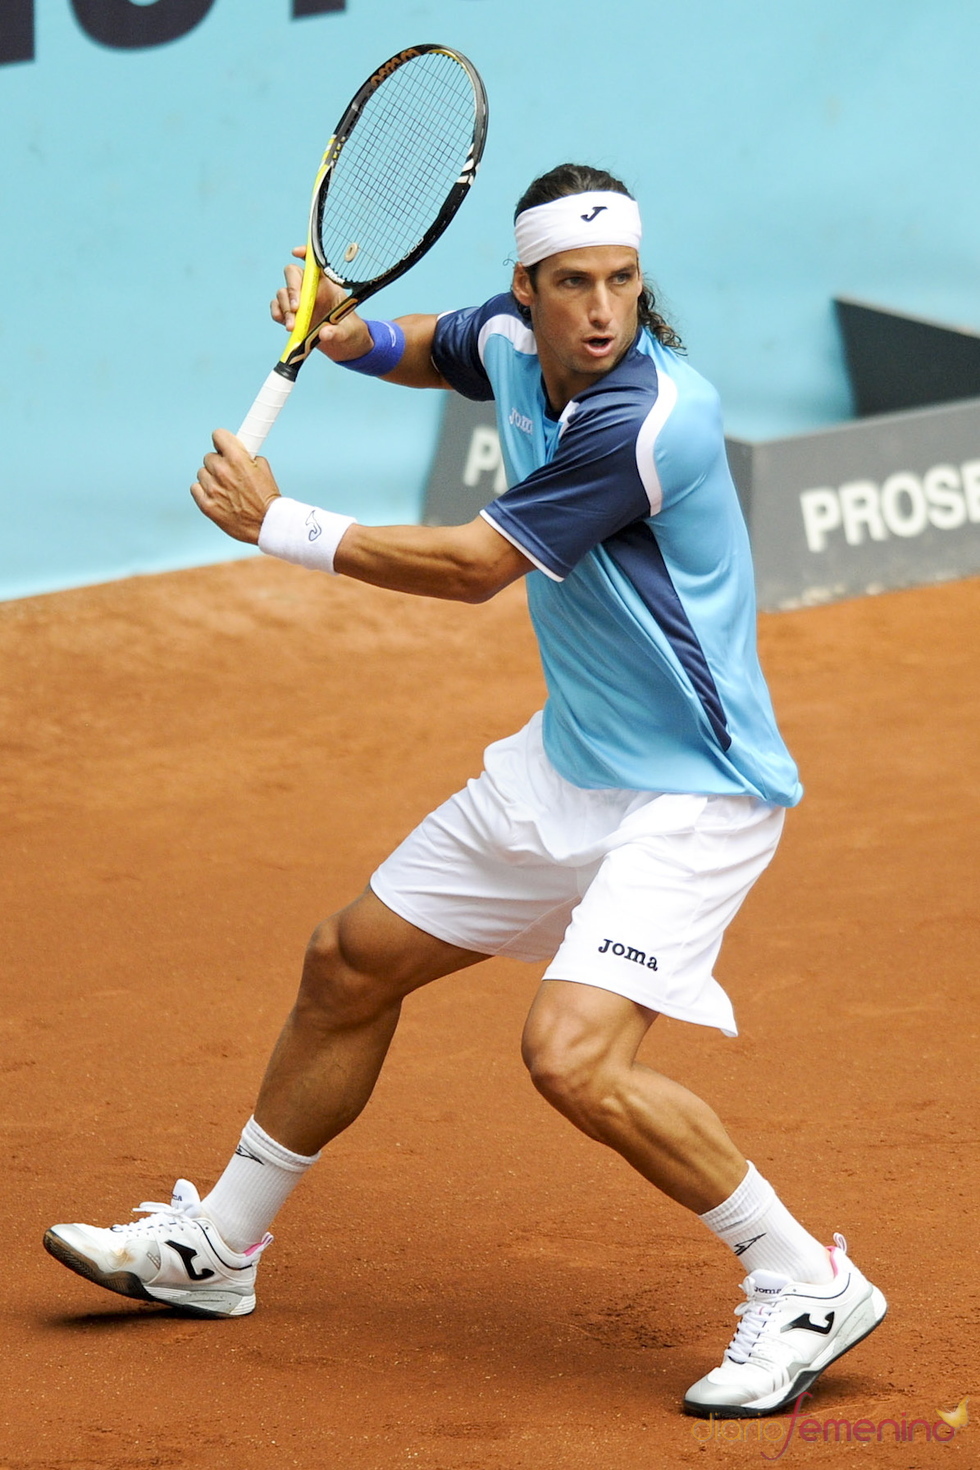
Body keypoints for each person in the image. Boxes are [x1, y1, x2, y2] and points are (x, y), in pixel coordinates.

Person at [44, 164, 886, 1418]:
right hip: (570, 764)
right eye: (572, 286)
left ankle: (802, 1278)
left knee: (571, 1057)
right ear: (527, 291)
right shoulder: (507, 338)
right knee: (348, 962)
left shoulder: (650, 419)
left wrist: (280, 525)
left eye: (620, 282)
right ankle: (215, 1252)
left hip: (693, 794)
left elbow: (471, 567)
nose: (601, 311)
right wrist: (342, 333)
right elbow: (434, 345)